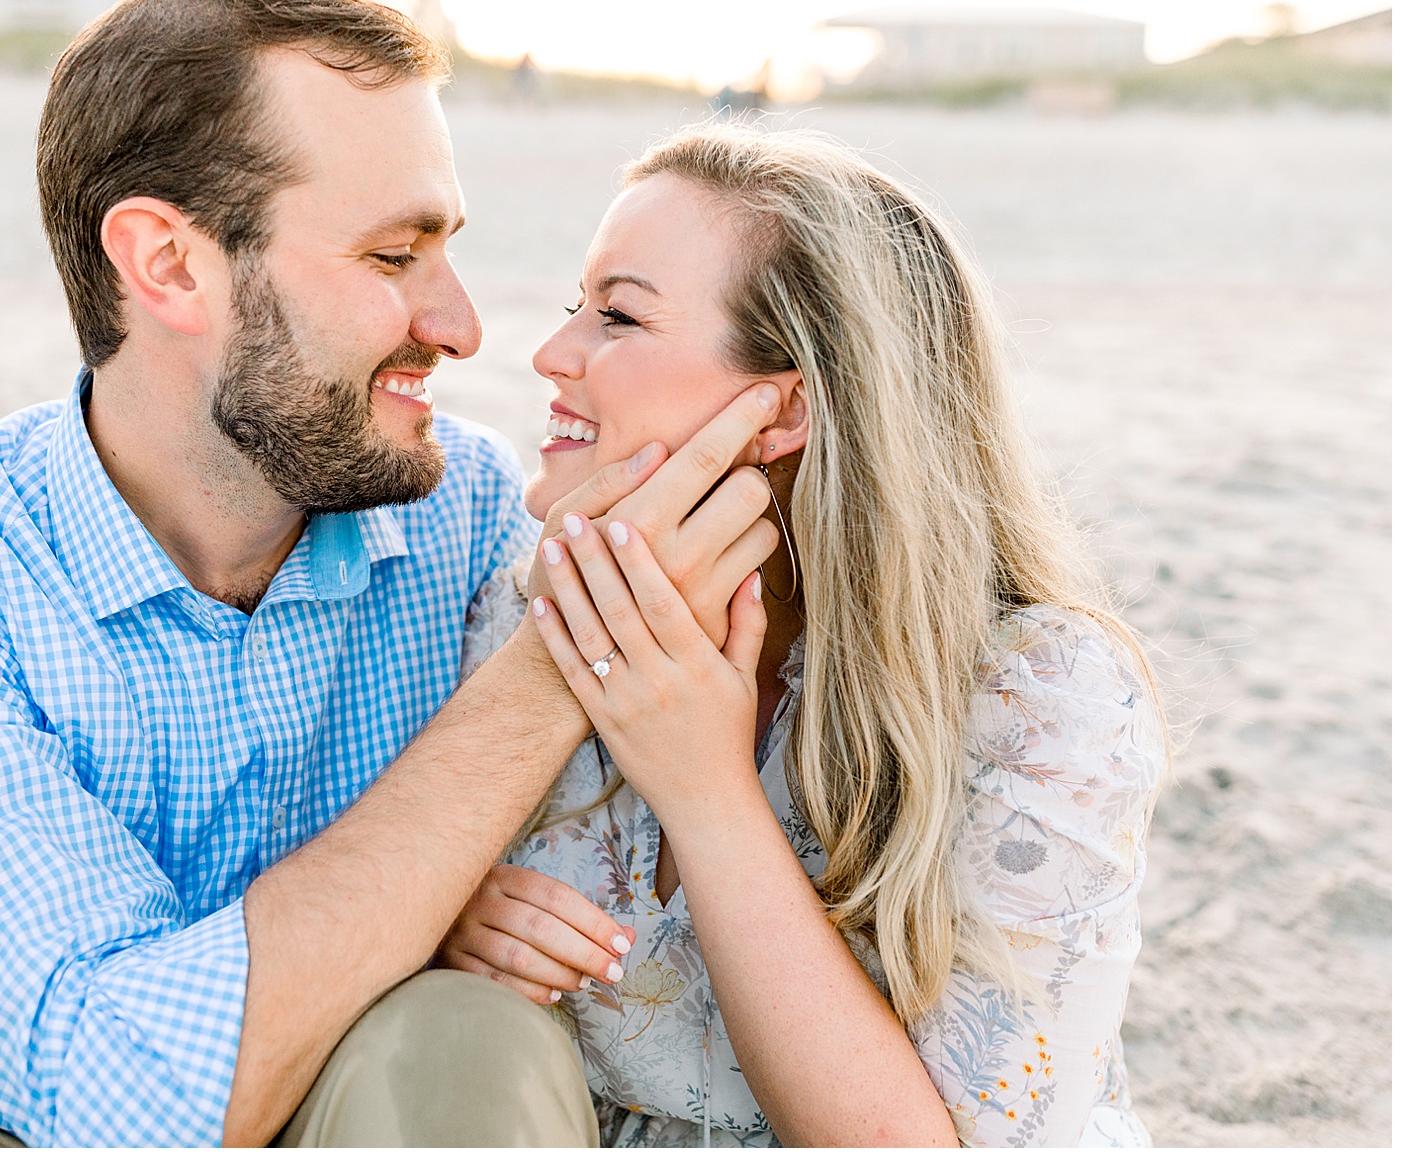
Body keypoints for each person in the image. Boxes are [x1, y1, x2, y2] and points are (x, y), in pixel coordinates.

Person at [0, 0, 786, 1148]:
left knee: (469, 1035)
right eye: (393, 257)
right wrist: (550, 668)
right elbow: (118, 1098)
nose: (462, 326)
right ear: (169, 265)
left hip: (344, 1103)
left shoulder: (474, 511)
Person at [438, 125, 1168, 1146]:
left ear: (781, 410)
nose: (552, 354)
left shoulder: (1038, 699)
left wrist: (704, 789)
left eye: (619, 316)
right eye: (576, 307)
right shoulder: (522, 608)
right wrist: (446, 930)